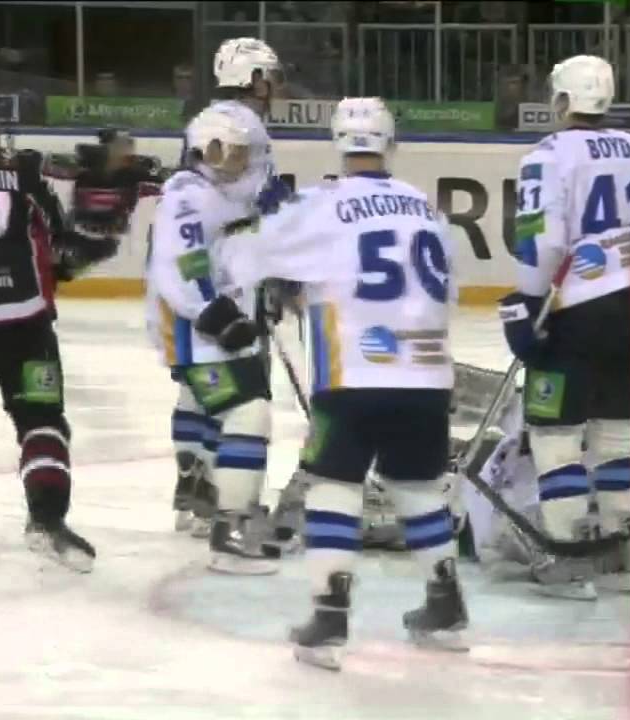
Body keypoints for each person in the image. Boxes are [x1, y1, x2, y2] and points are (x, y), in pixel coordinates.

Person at [211, 97, 463, 670]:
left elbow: (241, 259)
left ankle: (328, 617)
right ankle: (446, 605)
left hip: (354, 372)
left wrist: (269, 253)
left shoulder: (321, 204)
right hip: (427, 373)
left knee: (333, 485)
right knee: (419, 487)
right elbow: (446, 289)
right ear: (390, 143)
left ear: (338, 143)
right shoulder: (427, 209)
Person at [498, 55, 630, 600]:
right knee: (615, 435)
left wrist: (527, 303)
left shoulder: (547, 156)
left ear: (563, 99)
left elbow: (542, 241)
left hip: (574, 314)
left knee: (556, 436)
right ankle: (621, 554)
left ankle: (568, 559)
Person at [0, 98, 125, 570]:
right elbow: (66, 250)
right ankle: (47, 522)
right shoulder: (18, 174)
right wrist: (102, 227)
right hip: (16, 315)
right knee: (40, 418)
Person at [144, 106, 280, 575]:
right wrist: (216, 314)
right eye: (234, 152)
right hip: (199, 334)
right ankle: (232, 531)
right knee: (248, 411)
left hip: (200, 331)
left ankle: (200, 493)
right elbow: (183, 262)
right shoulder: (191, 195)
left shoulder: (212, 193)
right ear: (209, 150)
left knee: (203, 404)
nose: (244, 161)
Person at [166, 37, 292, 539]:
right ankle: (225, 499)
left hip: (197, 265)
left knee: (198, 381)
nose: (275, 86)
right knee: (241, 393)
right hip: (226, 271)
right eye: (269, 76)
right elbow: (257, 200)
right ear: (250, 78)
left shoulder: (209, 118)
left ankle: (193, 485)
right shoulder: (243, 125)